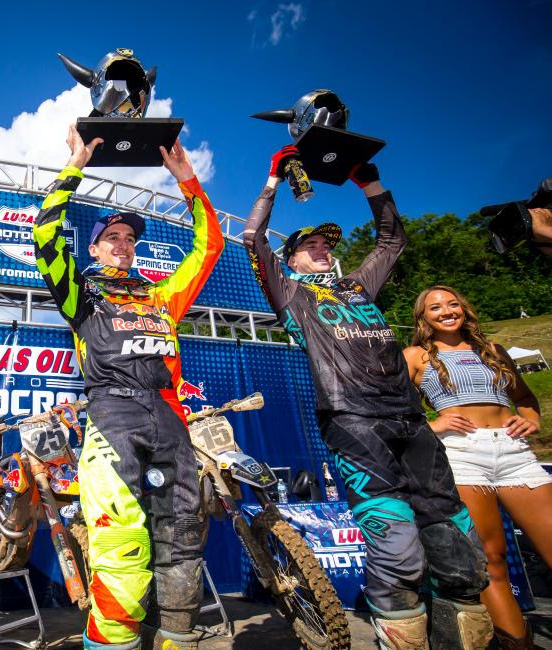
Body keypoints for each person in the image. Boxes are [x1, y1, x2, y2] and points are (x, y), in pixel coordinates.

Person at [243, 146, 492, 650]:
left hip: (411, 419)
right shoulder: (291, 293)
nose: (323, 249)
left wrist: (369, 182)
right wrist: (273, 180)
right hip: (352, 421)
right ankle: (399, 635)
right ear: (290, 259)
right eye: (311, 245)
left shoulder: (358, 287)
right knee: (398, 546)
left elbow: (392, 239)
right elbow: (252, 238)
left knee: (457, 547)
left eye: (326, 245)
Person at [33, 125, 223, 650]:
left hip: (169, 420)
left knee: (182, 539)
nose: (123, 245)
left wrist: (187, 179)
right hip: (113, 418)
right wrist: (77, 162)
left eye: (129, 239)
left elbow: (211, 247)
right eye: (112, 237)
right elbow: (44, 235)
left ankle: (177, 640)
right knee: (120, 546)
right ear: (94, 246)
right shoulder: (82, 294)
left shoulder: (163, 296)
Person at [404, 285, 551, 649]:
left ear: (464, 310)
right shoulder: (414, 356)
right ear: (423, 318)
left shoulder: (494, 351)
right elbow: (396, 413)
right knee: (490, 559)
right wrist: (432, 425)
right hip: (460, 454)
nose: (446, 310)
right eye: (435, 307)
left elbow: (525, 399)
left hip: (514, 452)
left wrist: (530, 420)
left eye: (453, 303)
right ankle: (518, 644)